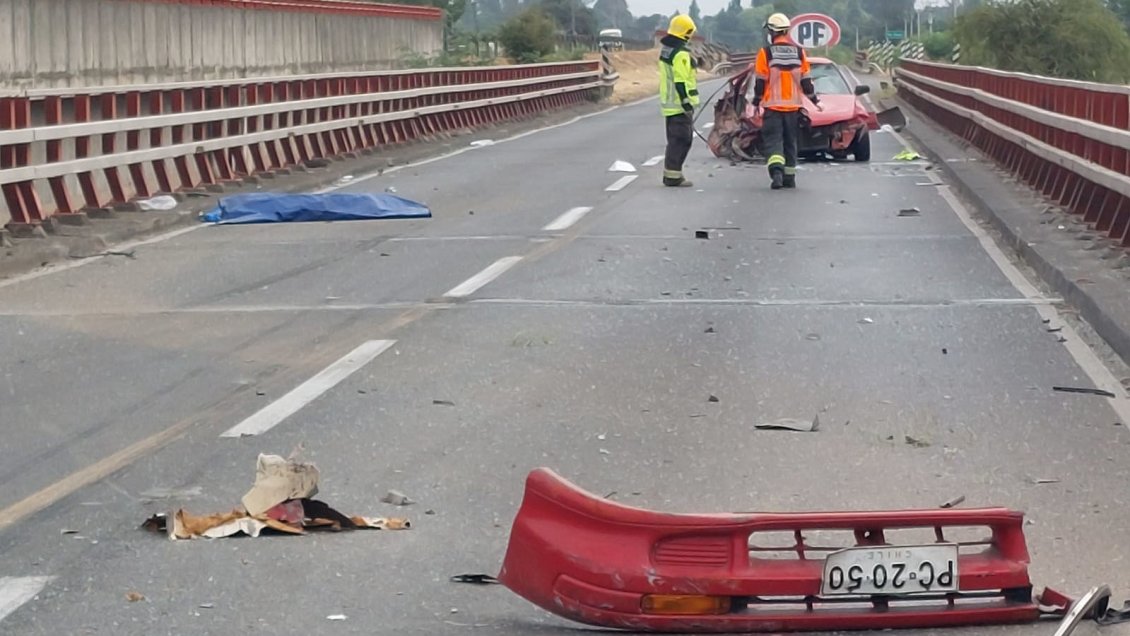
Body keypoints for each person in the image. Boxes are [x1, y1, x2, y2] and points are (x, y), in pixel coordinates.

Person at [749, 13, 820, 189]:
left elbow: (760, 82)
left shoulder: (765, 53)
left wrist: (756, 102)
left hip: (773, 108)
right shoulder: (799, 52)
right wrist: (815, 101)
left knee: (773, 141)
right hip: (793, 108)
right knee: (790, 143)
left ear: (772, 32)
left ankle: (777, 174)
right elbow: (806, 82)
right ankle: (790, 178)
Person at [658, 15, 699, 188]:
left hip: (670, 104)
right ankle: (673, 176)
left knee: (675, 139)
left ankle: (673, 173)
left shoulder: (667, 51)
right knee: (682, 140)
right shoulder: (680, 54)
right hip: (679, 105)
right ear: (686, 32)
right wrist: (685, 101)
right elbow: (680, 80)